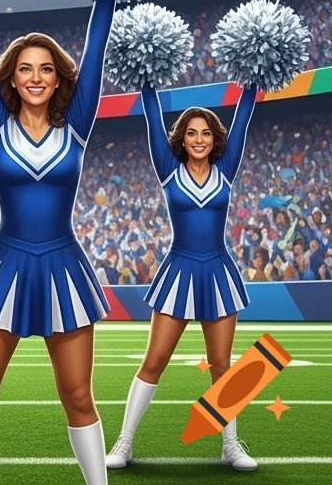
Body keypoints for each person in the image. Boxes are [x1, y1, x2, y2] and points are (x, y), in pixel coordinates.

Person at [0, 0, 116, 485]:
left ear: (60, 79)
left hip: (64, 266)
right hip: (7, 266)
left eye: (47, 69)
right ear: (11, 78)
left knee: (79, 396)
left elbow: (96, 49)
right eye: (25, 69)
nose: (36, 78)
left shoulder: (77, 126)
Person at [107, 85, 258, 472]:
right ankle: (123, 443)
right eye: (191, 132)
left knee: (222, 364)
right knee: (154, 360)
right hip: (179, 271)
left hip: (218, 272)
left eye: (206, 132)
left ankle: (229, 445)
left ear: (215, 138)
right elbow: (152, 120)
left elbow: (242, 120)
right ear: (181, 138)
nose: (199, 139)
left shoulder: (226, 170)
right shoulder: (168, 170)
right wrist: (147, 81)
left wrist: (253, 82)